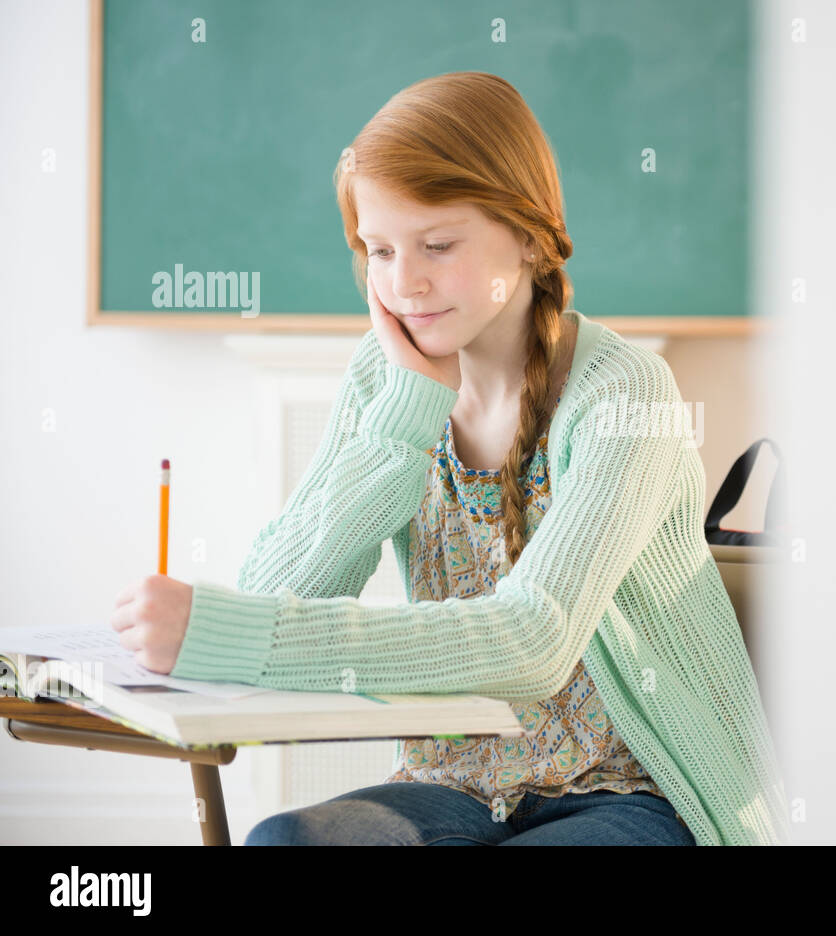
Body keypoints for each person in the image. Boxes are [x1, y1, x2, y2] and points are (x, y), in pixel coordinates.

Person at [110, 72, 789, 846]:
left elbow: (533, 640)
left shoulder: (626, 394)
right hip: (456, 785)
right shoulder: (384, 378)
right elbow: (278, 593)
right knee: (284, 843)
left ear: (530, 235)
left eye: (437, 245)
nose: (404, 283)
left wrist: (233, 628)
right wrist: (404, 417)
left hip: (631, 793)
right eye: (379, 250)